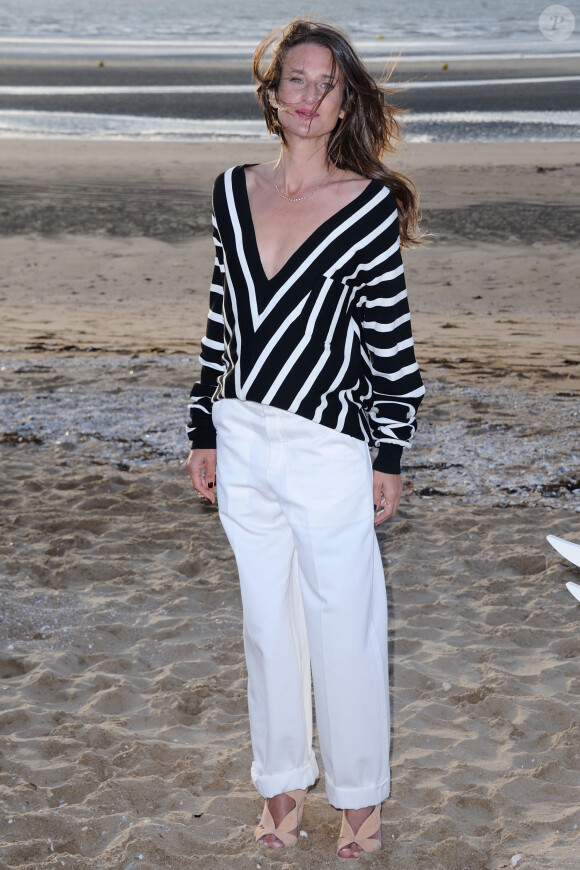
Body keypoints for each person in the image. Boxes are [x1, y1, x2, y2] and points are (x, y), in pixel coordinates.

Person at [186, 18, 424, 859]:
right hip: (243, 437)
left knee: (343, 624)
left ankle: (359, 799)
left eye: (327, 84)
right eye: (297, 80)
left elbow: (388, 343)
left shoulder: (366, 210)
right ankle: (281, 783)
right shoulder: (229, 191)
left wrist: (388, 451)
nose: (310, 97)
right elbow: (222, 322)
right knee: (266, 622)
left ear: (344, 97)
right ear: (273, 91)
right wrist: (203, 426)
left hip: (330, 447)